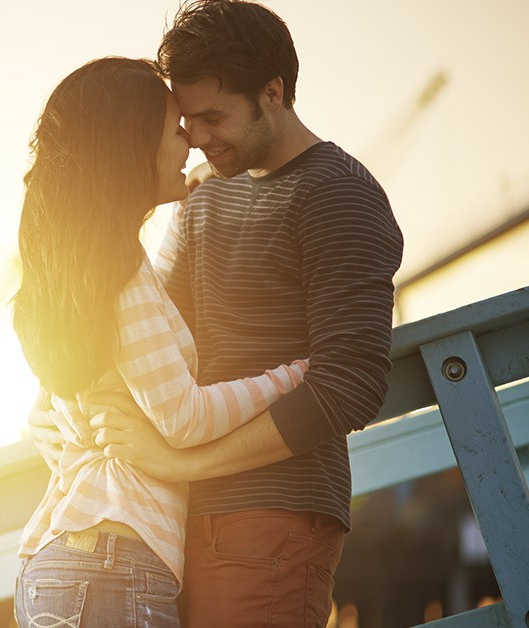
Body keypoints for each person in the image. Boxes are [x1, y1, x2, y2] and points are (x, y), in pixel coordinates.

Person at [30, 2, 405, 626]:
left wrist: (181, 461)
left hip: (273, 518)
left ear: (274, 92)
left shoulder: (338, 194)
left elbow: (350, 384)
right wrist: (57, 406)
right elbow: (146, 335)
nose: (198, 138)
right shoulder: (204, 190)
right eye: (187, 119)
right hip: (172, 522)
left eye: (213, 117)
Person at [11, 56, 311, 628]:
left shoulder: (74, 273)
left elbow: (54, 415)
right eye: (175, 129)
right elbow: (183, 417)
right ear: (132, 147)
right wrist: (297, 373)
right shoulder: (123, 273)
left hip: (59, 564)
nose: (191, 143)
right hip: (110, 564)